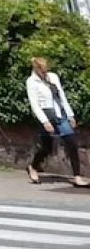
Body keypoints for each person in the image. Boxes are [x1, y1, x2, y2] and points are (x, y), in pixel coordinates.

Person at [26, 56, 89, 186]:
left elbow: (61, 96)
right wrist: (44, 121)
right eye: (42, 70)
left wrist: (70, 114)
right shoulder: (31, 82)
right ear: (36, 69)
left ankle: (77, 177)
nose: (45, 72)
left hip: (60, 115)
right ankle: (33, 166)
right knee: (47, 148)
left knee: (72, 143)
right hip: (46, 115)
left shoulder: (53, 77)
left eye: (46, 70)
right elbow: (35, 104)